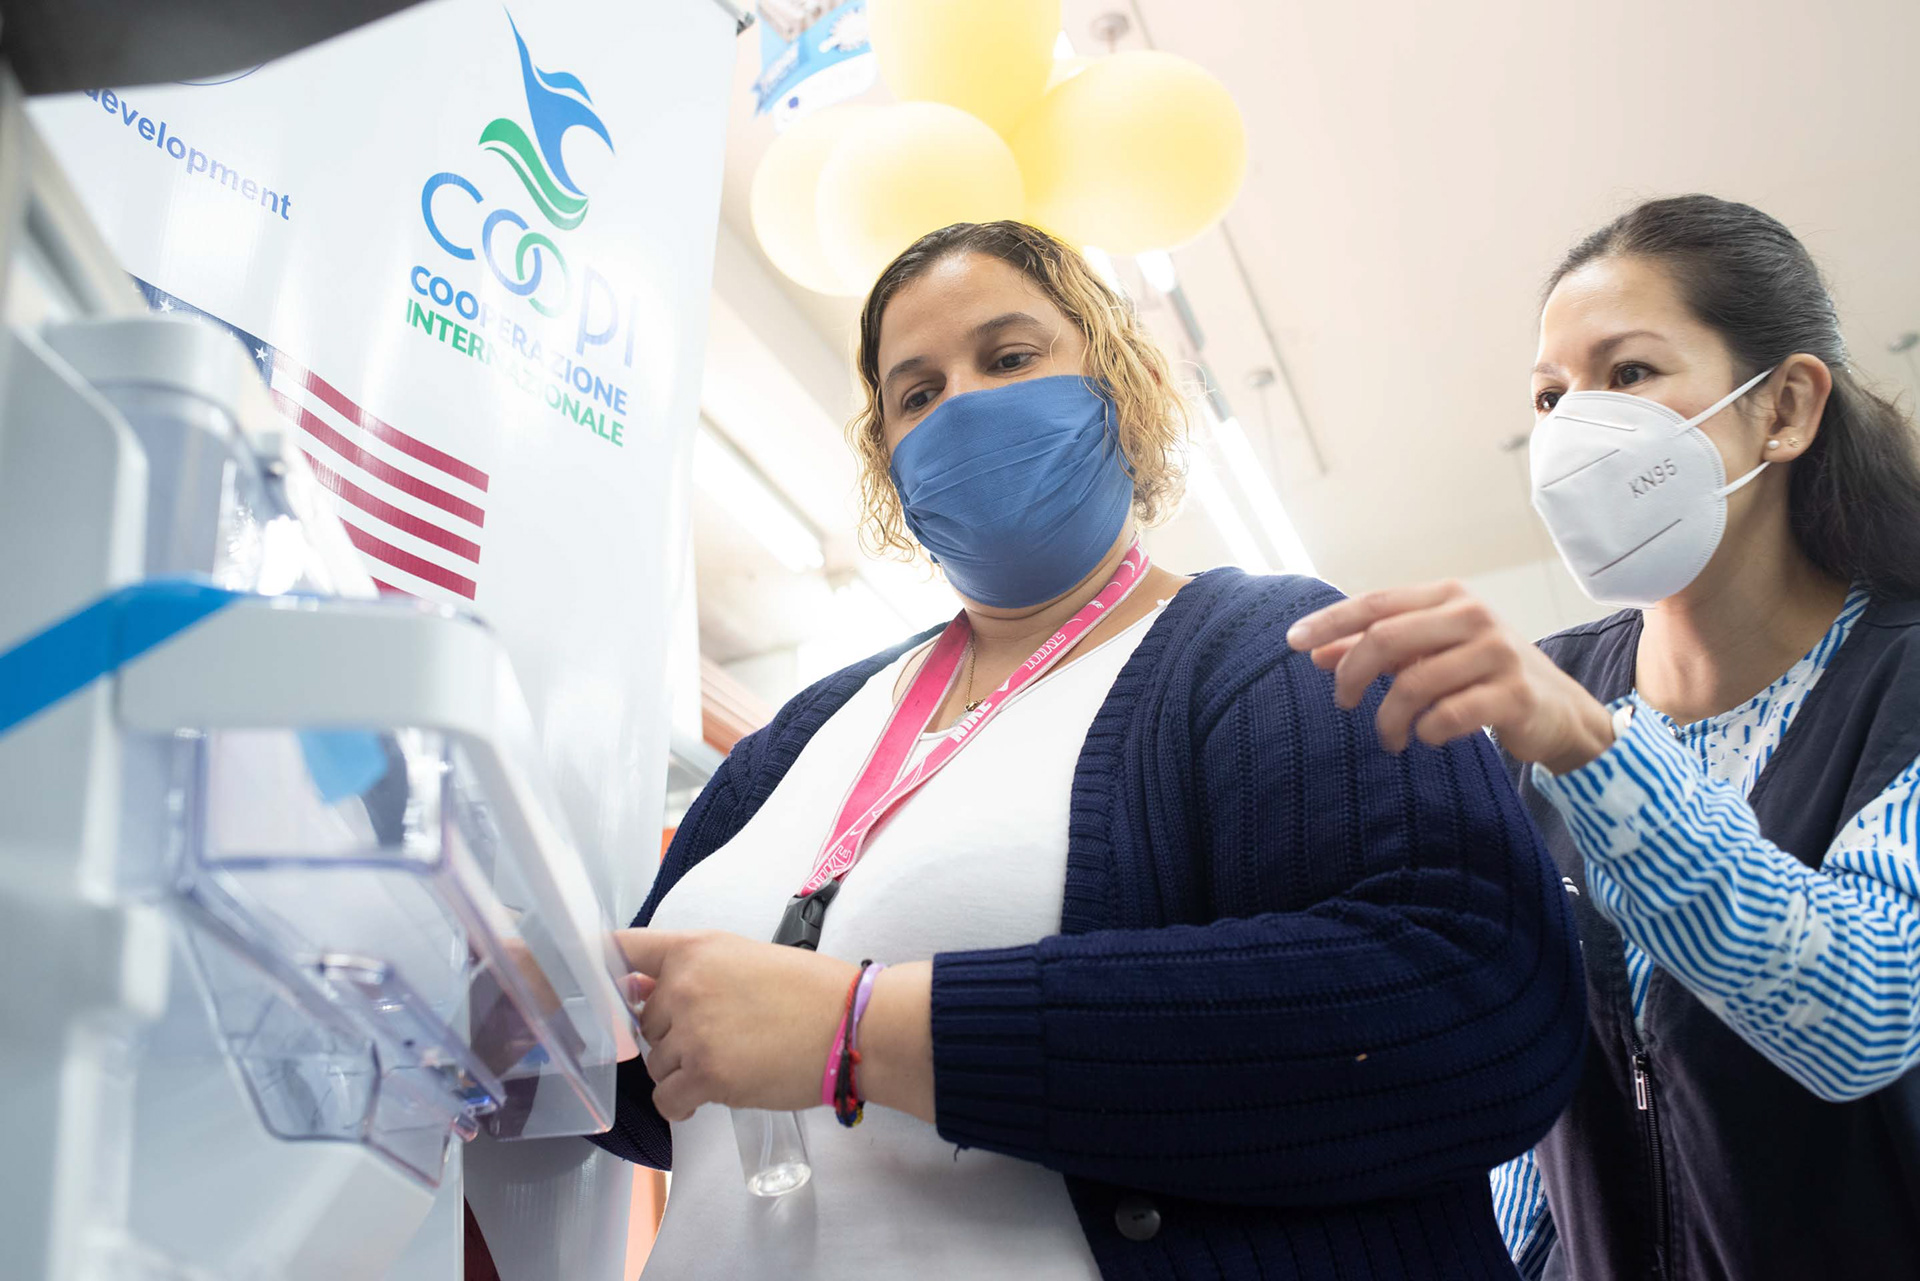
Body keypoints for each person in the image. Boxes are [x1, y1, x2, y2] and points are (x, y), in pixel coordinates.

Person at [588, 221, 1585, 1279]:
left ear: (1125, 386)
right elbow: (670, 1090)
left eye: (1010, 356)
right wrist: (544, 1027)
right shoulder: (804, 731)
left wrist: (867, 1029)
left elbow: (1472, 994)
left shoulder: (1278, 646)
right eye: (917, 392)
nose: (963, 405)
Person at [1287, 194, 1920, 1280]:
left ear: (1784, 407)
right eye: (1550, 396)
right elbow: (1528, 1101)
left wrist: (1591, 750)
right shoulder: (1540, 700)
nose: (1574, 429)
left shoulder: (1895, 679)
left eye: (1628, 373)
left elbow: (1861, 1016)